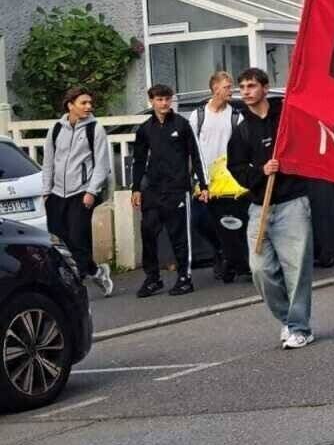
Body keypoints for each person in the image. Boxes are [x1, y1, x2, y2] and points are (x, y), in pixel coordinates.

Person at [227, 67, 314, 349]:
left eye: (251, 86)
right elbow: (236, 168)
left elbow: (306, 145)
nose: (246, 92)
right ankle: (287, 319)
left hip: (292, 203)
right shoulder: (241, 131)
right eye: (242, 87)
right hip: (260, 207)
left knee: (297, 269)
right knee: (260, 269)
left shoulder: (286, 118)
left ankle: (301, 327)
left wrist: (288, 164)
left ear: (265, 88)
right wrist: (261, 171)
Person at [131, 84, 208, 297]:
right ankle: (152, 278)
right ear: (151, 102)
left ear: (171, 100)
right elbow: (138, 160)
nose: (164, 103)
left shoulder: (182, 125)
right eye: (159, 99)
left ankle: (185, 278)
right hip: (153, 191)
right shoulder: (145, 129)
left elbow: (196, 154)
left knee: (179, 236)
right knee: (148, 233)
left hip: (177, 190)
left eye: (167, 99)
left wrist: (203, 184)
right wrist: (136, 188)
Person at [41, 87, 113, 297]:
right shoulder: (56, 128)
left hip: (81, 193)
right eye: (83, 103)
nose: (89, 107)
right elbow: (48, 163)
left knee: (78, 238)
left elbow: (102, 164)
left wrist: (91, 191)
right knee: (60, 242)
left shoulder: (95, 129)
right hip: (56, 194)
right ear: (70, 105)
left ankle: (76, 286)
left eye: (90, 103)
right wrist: (46, 192)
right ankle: (96, 271)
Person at [194, 71, 249, 281]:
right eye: (227, 87)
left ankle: (231, 259)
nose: (231, 90)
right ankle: (219, 250)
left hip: (231, 180)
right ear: (215, 88)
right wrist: (196, 178)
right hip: (205, 179)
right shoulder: (198, 116)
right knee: (201, 220)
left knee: (232, 222)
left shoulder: (236, 115)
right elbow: (191, 147)